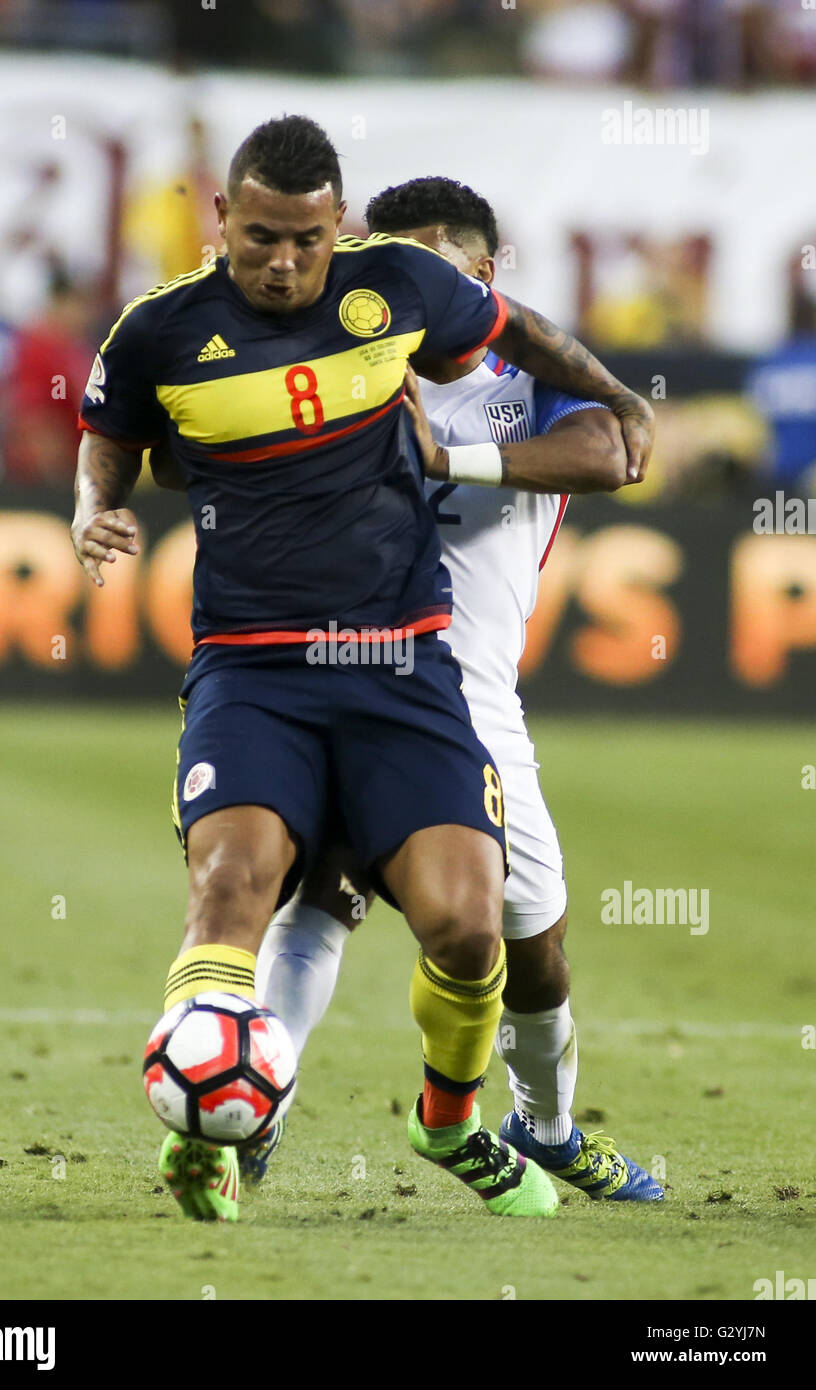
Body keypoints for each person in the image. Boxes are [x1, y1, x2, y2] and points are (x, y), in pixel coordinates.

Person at [72, 116, 653, 1223]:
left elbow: (571, 395)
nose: (282, 263)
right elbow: (115, 427)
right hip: (259, 670)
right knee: (261, 896)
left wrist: (611, 400)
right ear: (222, 222)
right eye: (258, 240)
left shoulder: (420, 317)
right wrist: (95, 507)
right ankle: (225, 1125)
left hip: (423, 676)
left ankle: (483, 1120)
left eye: (304, 240)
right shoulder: (166, 331)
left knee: (493, 931)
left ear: (340, 229)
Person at [253, 177, 663, 1203]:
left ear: (482, 275)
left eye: (427, 263)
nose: (401, 285)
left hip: (472, 699)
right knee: (322, 888)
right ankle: (258, 1099)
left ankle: (548, 1127)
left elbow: (612, 453)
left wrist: (450, 456)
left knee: (534, 944)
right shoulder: (340, 368)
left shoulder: (525, 386)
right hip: (338, 668)